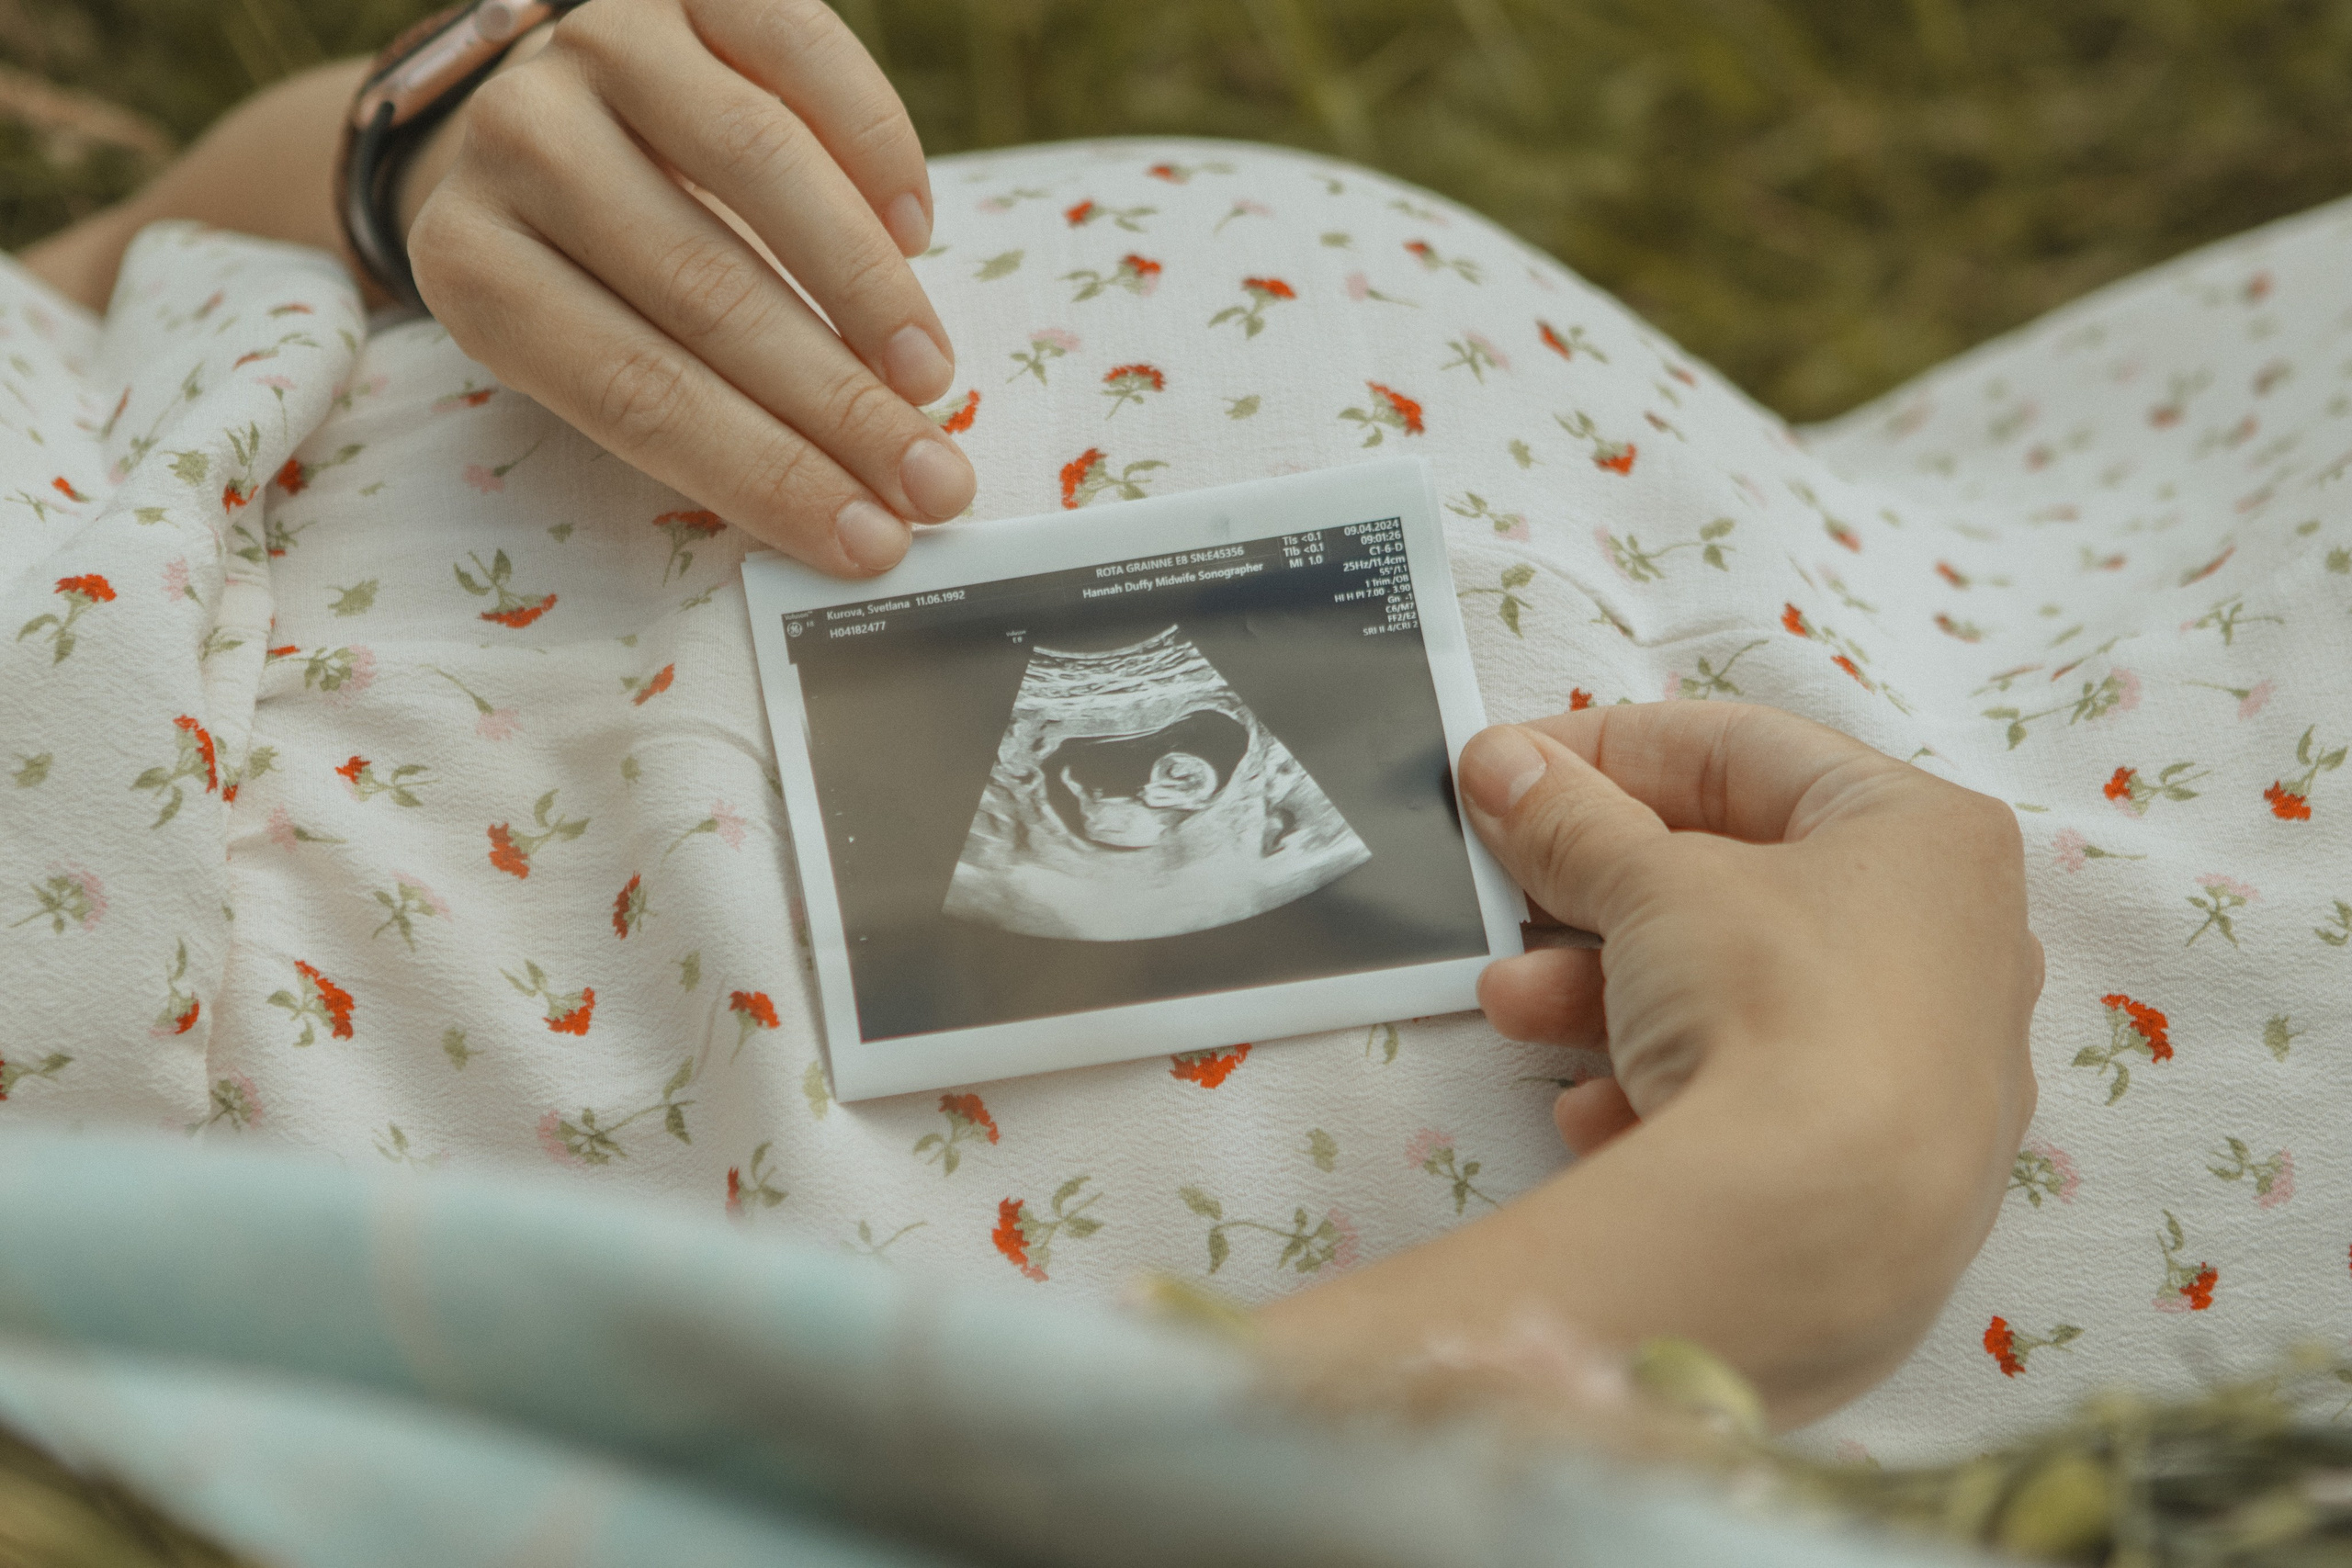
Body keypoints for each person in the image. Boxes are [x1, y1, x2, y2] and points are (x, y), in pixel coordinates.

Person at [25, 0, 2219, 1443]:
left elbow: (112, 269)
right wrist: (1792, 1209)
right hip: (2034, 1182)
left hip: (2073, 517)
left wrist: (436, 136)